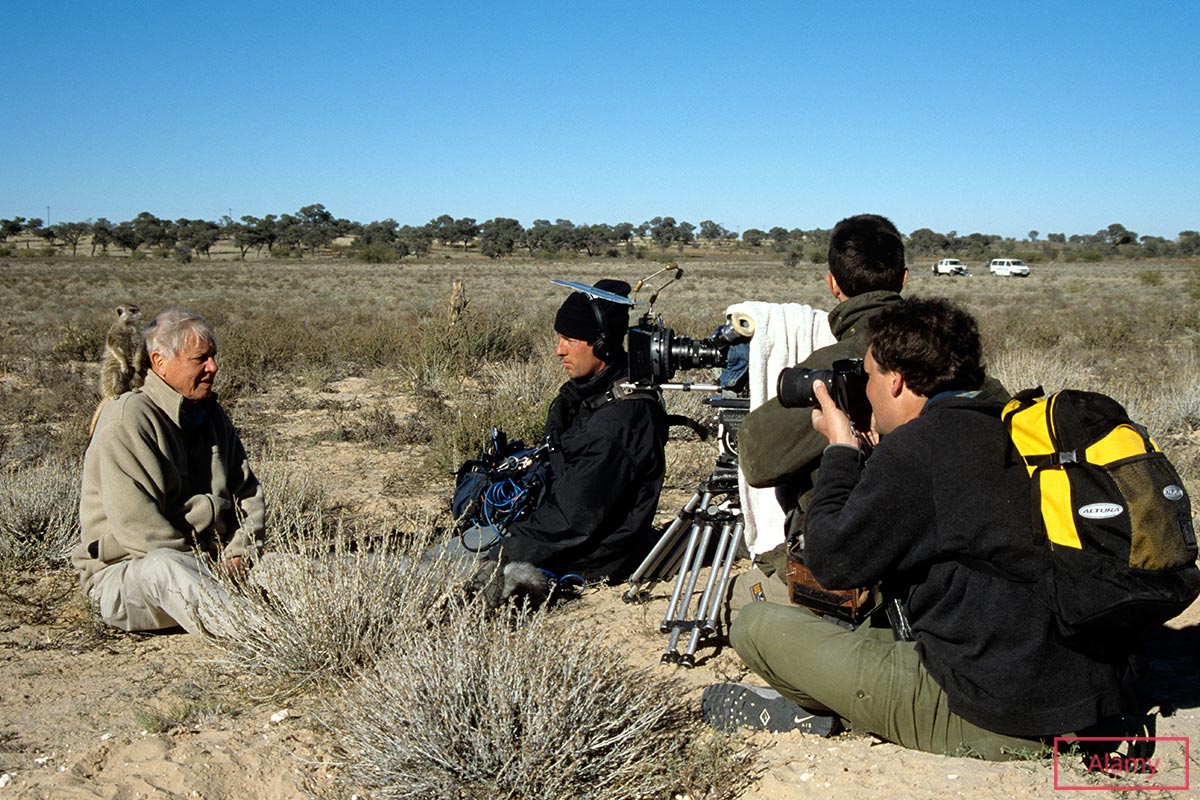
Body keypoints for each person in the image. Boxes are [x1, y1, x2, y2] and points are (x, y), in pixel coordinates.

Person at [707, 297, 1125, 759]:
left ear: (897, 381)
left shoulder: (920, 447)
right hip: (1092, 691)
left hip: (998, 713)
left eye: (868, 377)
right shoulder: (1013, 426)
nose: (862, 390)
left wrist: (840, 450)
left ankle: (830, 713)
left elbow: (832, 563)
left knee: (758, 624)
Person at [729, 214, 909, 606]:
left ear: (832, 284)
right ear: (904, 279)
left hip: (856, 570)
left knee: (742, 606)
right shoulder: (948, 354)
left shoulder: (835, 363)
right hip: (944, 567)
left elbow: (757, 459)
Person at [73, 308, 265, 637]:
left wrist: (239, 553)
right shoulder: (127, 420)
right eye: (200, 359)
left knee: (280, 568)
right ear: (160, 362)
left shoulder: (211, 413)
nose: (213, 368)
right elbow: (141, 531)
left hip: (209, 561)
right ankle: (262, 635)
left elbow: (247, 495)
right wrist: (205, 567)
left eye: (214, 356)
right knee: (167, 568)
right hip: (128, 574)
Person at [463, 279, 669, 584]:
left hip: (586, 558)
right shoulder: (596, 392)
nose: (559, 351)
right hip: (551, 529)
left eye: (569, 339)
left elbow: (569, 522)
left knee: (441, 563)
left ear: (602, 345)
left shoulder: (615, 425)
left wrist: (496, 554)